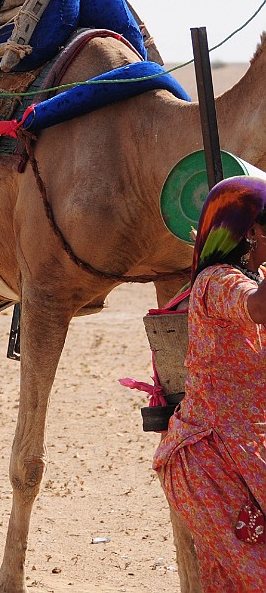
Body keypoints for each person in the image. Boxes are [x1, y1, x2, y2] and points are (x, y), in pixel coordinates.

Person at [153, 175, 266, 590]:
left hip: (245, 457)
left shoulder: (257, 275)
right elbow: (257, 307)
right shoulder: (217, 282)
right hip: (211, 466)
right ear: (250, 232)